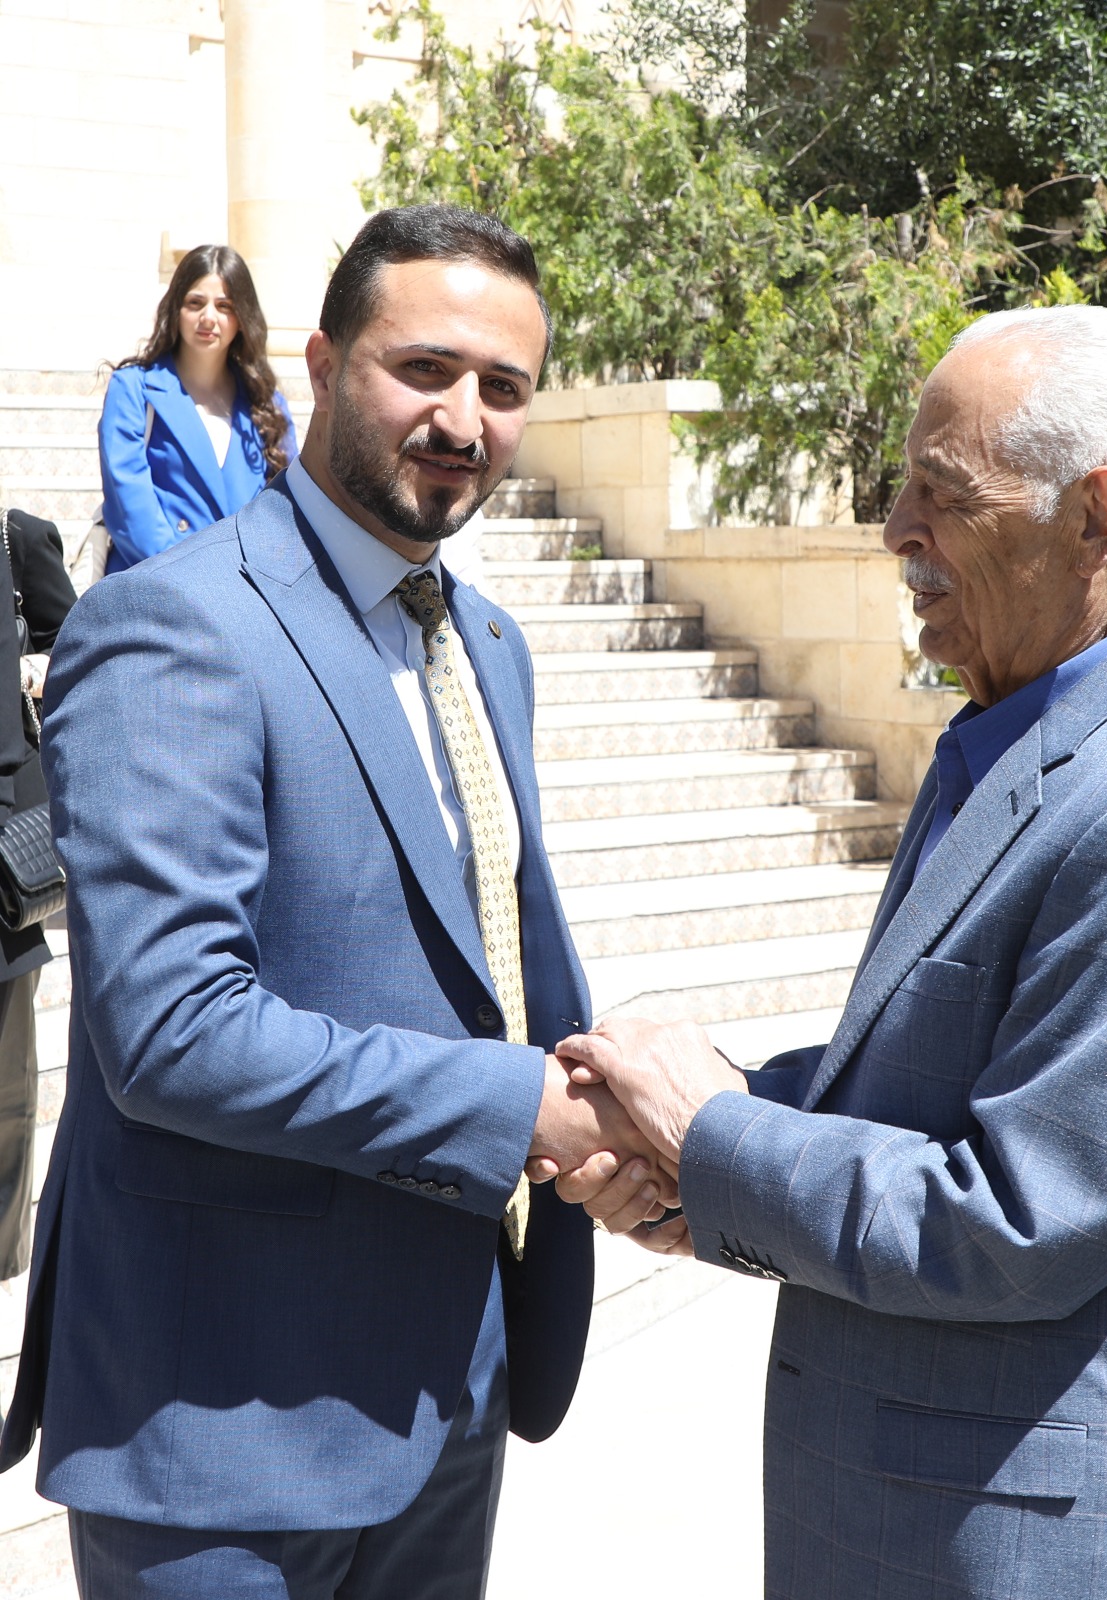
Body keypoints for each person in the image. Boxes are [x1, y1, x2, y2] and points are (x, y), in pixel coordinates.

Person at [552, 306, 1107, 1600]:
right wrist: (700, 1154)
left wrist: (710, 1134)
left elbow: (1015, 1220)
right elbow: (919, 1090)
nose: (895, 529)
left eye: (942, 493)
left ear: (1096, 516)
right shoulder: (1019, 739)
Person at [0, 205, 671, 1598]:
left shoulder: (488, 641)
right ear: (317, 362)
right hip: (220, 1422)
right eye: (423, 369)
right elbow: (175, 1031)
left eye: (504, 387)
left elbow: (483, 963)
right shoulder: (172, 623)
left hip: (449, 1392)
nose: (464, 419)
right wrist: (516, 1108)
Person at [97, 244, 297, 574]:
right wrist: (190, 583)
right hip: (154, 583)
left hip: (245, 588)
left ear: (242, 317)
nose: (208, 317)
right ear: (176, 308)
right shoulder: (133, 389)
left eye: (224, 306)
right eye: (195, 303)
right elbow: (129, 507)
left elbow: (286, 507)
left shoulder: (267, 404)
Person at [0, 505, 76, 1279]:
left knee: (5, 1091)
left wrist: (35, 668)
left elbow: (80, 648)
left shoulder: (14, 538)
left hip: (0, 866)